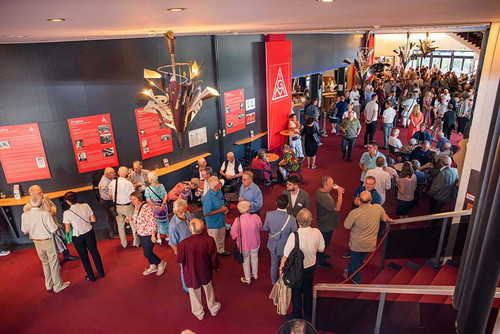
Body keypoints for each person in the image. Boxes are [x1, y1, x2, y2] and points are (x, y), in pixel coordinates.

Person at [279, 209, 325, 322]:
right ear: (311, 220)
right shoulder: (317, 232)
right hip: (311, 267)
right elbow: (321, 249)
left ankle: (297, 317)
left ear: (297, 221)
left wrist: (281, 270)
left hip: (296, 269)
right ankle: (309, 315)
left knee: (296, 292)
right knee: (308, 290)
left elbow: (285, 255)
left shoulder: (294, 236)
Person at [21, 193, 70, 293]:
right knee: (54, 263)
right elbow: (54, 229)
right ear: (41, 202)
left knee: (45, 263)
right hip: (48, 240)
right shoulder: (45, 214)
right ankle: (58, 286)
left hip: (36, 242)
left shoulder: (24, 215)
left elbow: (25, 231)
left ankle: (49, 284)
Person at [343, 191, 392, 284]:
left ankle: (356, 280)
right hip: (370, 244)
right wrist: (390, 220)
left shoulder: (355, 212)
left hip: (357, 245)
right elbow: (386, 219)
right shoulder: (378, 208)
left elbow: (346, 225)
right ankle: (348, 268)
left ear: (360, 201)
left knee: (355, 262)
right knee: (360, 258)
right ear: (371, 199)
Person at [177, 218, 221, 320]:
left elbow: (179, 259)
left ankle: (199, 313)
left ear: (191, 229)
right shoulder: (209, 240)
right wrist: (216, 267)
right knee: (208, 288)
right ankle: (213, 308)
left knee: (193, 292)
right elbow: (214, 258)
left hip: (191, 272)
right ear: (202, 229)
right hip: (205, 270)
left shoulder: (183, 244)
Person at [23, 185, 79, 261]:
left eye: (42, 191)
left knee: (62, 240)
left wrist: (53, 211)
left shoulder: (45, 197)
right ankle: (54, 261)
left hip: (54, 225)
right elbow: (29, 222)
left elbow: (52, 205)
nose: (42, 193)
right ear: (32, 194)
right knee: (51, 248)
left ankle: (66, 255)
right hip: (44, 232)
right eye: (40, 193)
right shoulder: (27, 207)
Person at [62, 191, 104, 282]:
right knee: (95, 252)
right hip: (89, 232)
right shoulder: (85, 205)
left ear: (67, 201)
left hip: (77, 236)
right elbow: (93, 219)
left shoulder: (67, 213)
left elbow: (68, 230)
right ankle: (101, 273)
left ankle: (91, 277)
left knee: (84, 256)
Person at [129, 191, 166, 276]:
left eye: (134, 199)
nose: (133, 201)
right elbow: (136, 217)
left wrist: (153, 235)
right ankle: (152, 266)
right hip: (141, 232)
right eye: (131, 199)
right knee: (146, 250)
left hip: (149, 233)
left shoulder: (146, 207)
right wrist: (130, 219)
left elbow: (152, 221)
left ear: (139, 198)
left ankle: (160, 263)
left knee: (147, 253)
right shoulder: (136, 206)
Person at [263, 194, 297, 285]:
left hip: (273, 244)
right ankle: (284, 284)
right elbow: (295, 233)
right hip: (285, 247)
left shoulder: (269, 214)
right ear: (288, 205)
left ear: (276, 203)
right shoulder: (292, 219)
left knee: (274, 265)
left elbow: (265, 228)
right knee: (285, 266)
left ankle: (274, 284)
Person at [230, 200, 263, 284]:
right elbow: (260, 227)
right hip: (255, 243)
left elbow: (233, 234)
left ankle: (247, 278)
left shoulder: (237, 221)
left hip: (243, 245)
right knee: (255, 258)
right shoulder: (256, 217)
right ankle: (255, 275)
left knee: (246, 261)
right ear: (249, 210)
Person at [315, 176, 344, 269]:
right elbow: (337, 208)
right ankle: (320, 260)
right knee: (324, 243)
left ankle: (321, 255)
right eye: (331, 184)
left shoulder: (321, 192)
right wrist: (340, 193)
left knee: (324, 242)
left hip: (326, 222)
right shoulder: (323, 197)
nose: (333, 185)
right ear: (325, 185)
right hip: (325, 224)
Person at [109, 166, 139, 249]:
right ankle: (136, 242)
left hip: (118, 207)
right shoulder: (128, 183)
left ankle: (124, 243)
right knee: (133, 224)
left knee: (120, 226)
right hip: (128, 206)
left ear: (118, 173)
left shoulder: (112, 183)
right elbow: (133, 196)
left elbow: (110, 196)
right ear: (127, 173)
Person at [169, 198, 192, 293]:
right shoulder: (173, 225)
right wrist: (180, 255)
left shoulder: (188, 214)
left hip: (192, 246)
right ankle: (186, 288)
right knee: (185, 269)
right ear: (175, 211)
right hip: (183, 251)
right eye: (181, 212)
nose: (184, 214)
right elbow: (173, 244)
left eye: (185, 211)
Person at [203, 176, 230, 256]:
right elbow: (206, 213)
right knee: (213, 241)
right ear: (215, 186)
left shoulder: (219, 191)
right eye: (218, 182)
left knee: (221, 236)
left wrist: (225, 209)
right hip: (213, 224)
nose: (220, 183)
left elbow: (222, 202)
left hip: (221, 220)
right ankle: (213, 256)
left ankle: (221, 250)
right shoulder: (207, 198)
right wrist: (220, 211)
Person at [144, 171, 169, 243]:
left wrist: (155, 206)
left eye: (148, 178)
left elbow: (148, 199)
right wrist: (163, 204)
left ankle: (159, 238)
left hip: (155, 209)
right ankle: (168, 236)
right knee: (166, 221)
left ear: (151, 179)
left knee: (156, 223)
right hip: (164, 207)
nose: (147, 179)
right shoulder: (161, 186)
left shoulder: (148, 189)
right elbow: (165, 195)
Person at [98, 167, 119, 239]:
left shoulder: (110, 178)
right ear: (107, 174)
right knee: (110, 218)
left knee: (115, 215)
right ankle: (112, 233)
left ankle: (118, 230)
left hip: (111, 199)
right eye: (113, 173)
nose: (115, 173)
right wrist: (116, 196)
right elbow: (105, 197)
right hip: (107, 202)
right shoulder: (104, 184)